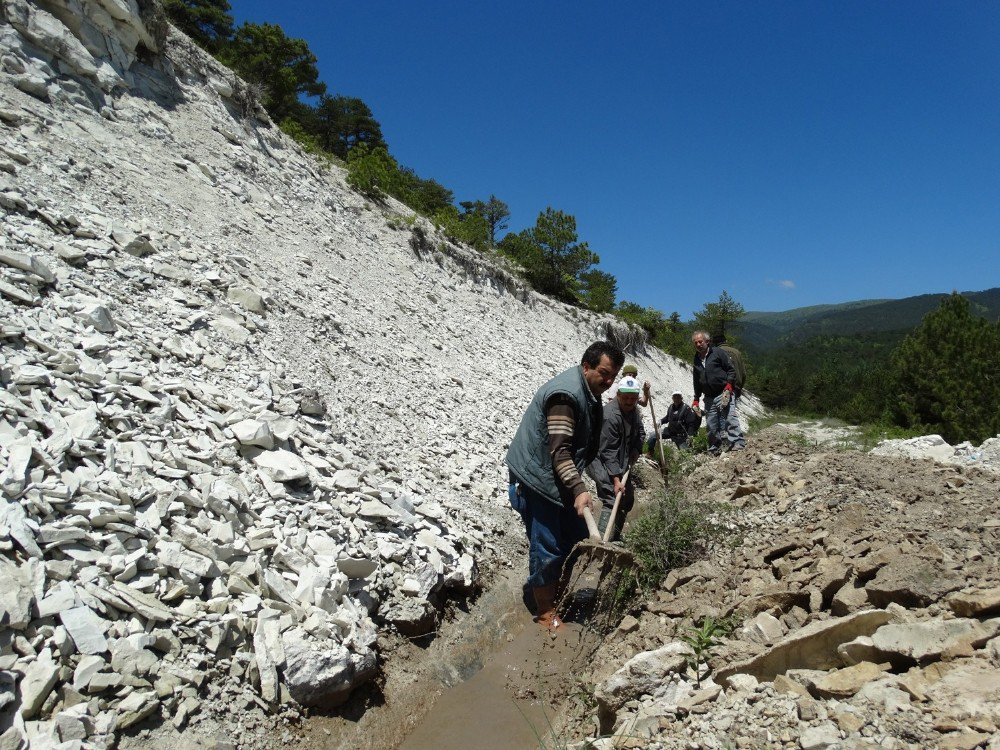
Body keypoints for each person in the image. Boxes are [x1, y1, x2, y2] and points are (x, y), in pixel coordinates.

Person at [506, 341, 625, 631]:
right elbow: (559, 451)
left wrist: (609, 474)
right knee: (547, 546)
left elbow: (584, 447)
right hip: (537, 480)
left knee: (575, 536)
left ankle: (556, 591)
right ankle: (545, 611)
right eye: (604, 373)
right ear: (586, 366)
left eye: (613, 376)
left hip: (558, 476)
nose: (608, 382)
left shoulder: (589, 392)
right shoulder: (566, 396)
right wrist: (579, 488)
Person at [588, 375, 646, 542]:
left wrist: (636, 448)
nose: (629, 402)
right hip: (598, 458)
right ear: (618, 395)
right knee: (611, 497)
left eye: (633, 398)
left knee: (627, 500)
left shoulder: (634, 411)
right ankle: (599, 544)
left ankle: (615, 537)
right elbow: (608, 451)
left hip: (621, 458)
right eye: (625, 398)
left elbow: (640, 432)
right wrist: (615, 480)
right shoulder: (610, 416)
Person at [691, 330, 745, 455]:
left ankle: (737, 443)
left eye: (700, 342)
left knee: (730, 418)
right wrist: (696, 398)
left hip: (723, 392)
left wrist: (729, 384)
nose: (698, 344)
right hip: (708, 396)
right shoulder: (696, 358)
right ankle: (714, 448)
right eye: (696, 343)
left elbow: (731, 369)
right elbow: (696, 380)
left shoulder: (718, 352)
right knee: (711, 425)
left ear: (707, 342)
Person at [714, 333, 747, 450]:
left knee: (724, 414)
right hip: (736, 386)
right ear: (726, 340)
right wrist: (739, 387)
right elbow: (743, 373)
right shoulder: (737, 352)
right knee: (730, 412)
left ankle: (733, 441)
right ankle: (733, 440)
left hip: (724, 386)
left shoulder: (716, 352)